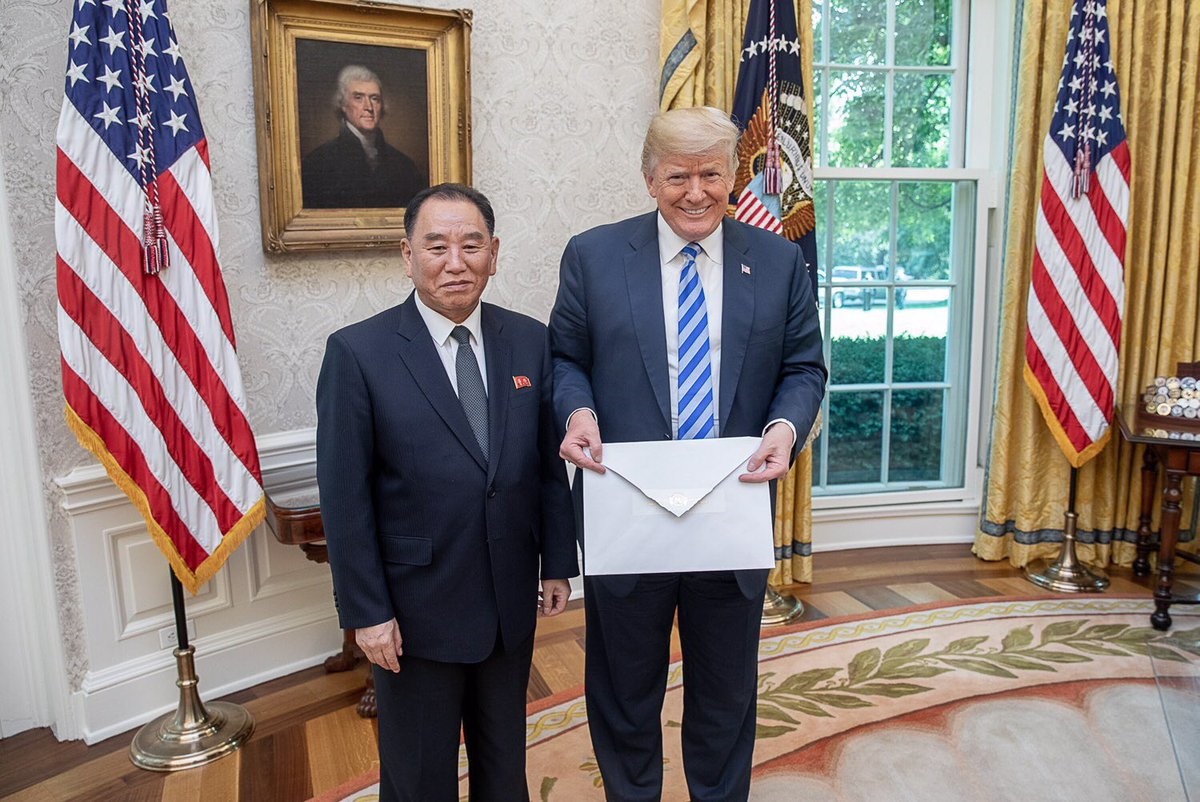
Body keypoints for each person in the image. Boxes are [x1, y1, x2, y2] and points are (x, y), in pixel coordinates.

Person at [548, 106, 827, 801]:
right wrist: (578, 412)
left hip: (733, 510)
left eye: (711, 174)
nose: (696, 192)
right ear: (650, 179)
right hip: (625, 509)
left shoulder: (778, 260)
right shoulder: (593, 256)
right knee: (623, 690)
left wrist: (785, 429)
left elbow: (803, 367)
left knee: (725, 693)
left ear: (734, 176)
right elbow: (565, 359)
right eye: (678, 177)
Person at [316, 183, 578, 801]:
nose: (455, 262)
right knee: (419, 779)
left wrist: (557, 564)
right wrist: (367, 613)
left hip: (508, 604)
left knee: (503, 769)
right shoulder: (359, 352)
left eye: (471, 245)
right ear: (408, 255)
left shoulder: (529, 340)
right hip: (414, 614)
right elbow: (346, 500)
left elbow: (546, 466)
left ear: (494, 254)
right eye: (436, 247)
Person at [302, 64, 427, 209]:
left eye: (375, 98)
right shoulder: (318, 163)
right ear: (343, 104)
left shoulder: (404, 166)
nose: (368, 107)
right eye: (358, 98)